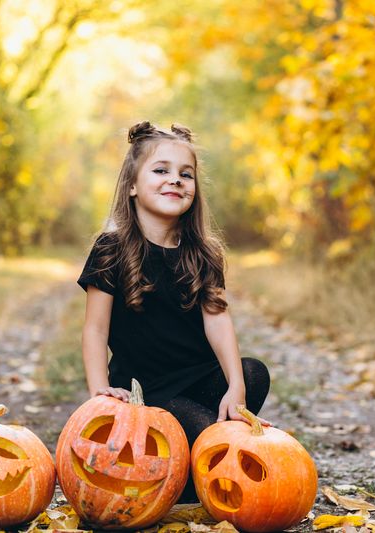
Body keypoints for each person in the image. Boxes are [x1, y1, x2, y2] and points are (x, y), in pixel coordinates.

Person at [76, 121, 270, 502]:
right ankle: (182, 479)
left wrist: (235, 385)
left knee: (252, 372)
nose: (175, 180)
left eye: (186, 174)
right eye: (161, 171)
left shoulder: (203, 251)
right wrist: (98, 393)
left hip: (196, 378)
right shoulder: (111, 249)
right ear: (132, 185)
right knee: (202, 432)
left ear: (195, 189)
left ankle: (188, 471)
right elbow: (95, 330)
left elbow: (217, 319)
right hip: (146, 393)